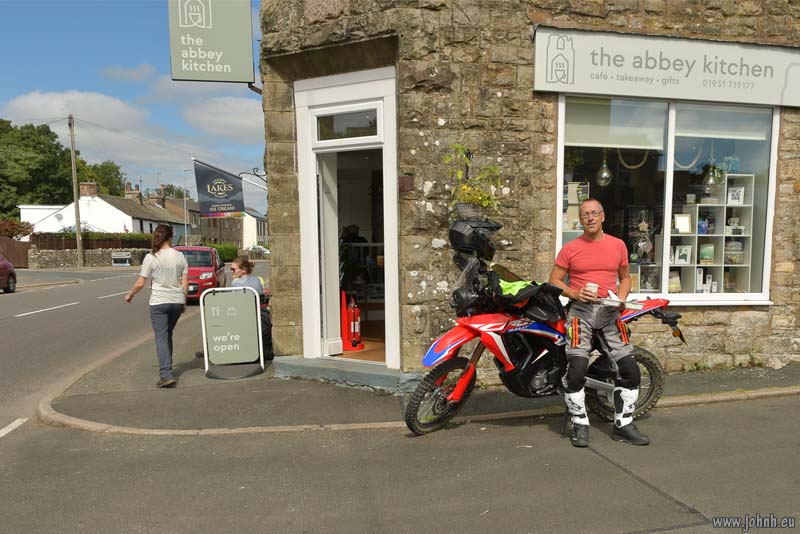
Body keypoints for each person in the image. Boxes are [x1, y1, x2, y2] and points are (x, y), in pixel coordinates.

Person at [548, 198, 649, 447]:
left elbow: (625, 277)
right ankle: (580, 424)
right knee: (577, 370)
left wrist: (622, 298)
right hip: (580, 312)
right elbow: (554, 281)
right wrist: (574, 293)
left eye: (594, 213)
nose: (590, 218)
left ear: (603, 216)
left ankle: (623, 425)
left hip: (609, 313)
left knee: (630, 370)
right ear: (580, 220)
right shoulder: (570, 248)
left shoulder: (618, 245)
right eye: (585, 214)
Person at [125, 224, 188, 388]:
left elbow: (140, 282)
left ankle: (166, 374)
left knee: (161, 336)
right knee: (167, 334)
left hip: (159, 302)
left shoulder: (151, 257)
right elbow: (185, 283)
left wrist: (130, 295)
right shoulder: (180, 256)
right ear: (171, 237)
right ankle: (167, 364)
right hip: (176, 301)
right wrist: (184, 301)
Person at [230, 256, 274, 360]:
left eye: (233, 269)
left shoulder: (236, 282)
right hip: (261, 313)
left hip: (245, 314)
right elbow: (260, 291)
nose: (232, 271)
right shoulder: (258, 279)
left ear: (244, 270)